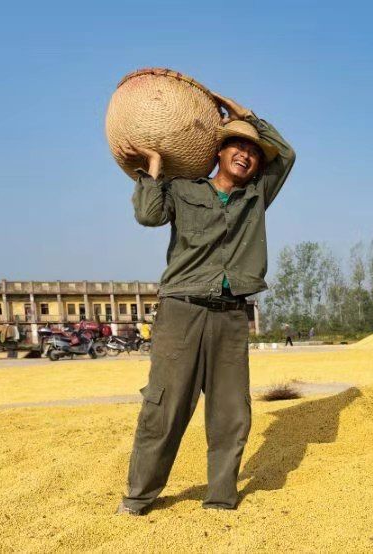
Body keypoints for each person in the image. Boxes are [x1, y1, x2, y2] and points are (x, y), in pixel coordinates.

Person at [115, 92, 296, 515]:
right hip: (181, 311)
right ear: (219, 152)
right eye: (238, 146)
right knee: (165, 406)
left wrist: (246, 115)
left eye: (253, 152)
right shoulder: (182, 190)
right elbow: (148, 215)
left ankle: (220, 498)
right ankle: (139, 497)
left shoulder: (257, 197)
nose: (247, 156)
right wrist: (153, 168)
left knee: (231, 412)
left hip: (232, 315)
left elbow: (286, 155)